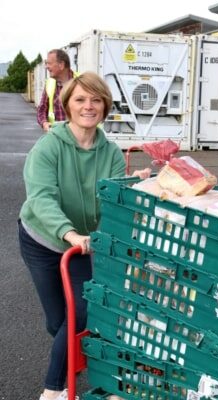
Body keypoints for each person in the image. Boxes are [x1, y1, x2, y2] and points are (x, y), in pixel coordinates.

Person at [18, 72, 149, 400]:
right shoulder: (48, 148)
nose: (88, 106)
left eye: (96, 100)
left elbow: (114, 198)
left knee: (81, 312)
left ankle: (54, 390)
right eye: (80, 99)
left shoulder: (111, 153)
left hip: (82, 247)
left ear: (104, 107)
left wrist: (138, 185)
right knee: (58, 322)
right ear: (68, 106)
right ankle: (70, 363)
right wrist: (69, 232)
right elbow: (42, 198)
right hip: (43, 240)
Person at [37, 49, 78, 132]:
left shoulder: (81, 82)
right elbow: (41, 109)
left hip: (79, 137)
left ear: (61, 65)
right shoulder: (49, 84)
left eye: (49, 63)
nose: (46, 67)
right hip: (57, 135)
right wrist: (44, 123)